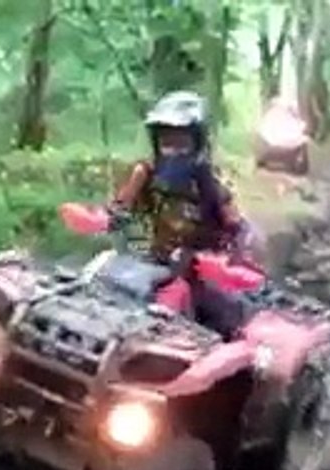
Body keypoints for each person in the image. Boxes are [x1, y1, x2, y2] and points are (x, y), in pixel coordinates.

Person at [105, 90, 253, 337]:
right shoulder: (146, 174)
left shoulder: (211, 184)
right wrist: (112, 220)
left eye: (181, 143)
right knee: (104, 275)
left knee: (190, 302)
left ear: (197, 143)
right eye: (166, 143)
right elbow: (119, 208)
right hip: (154, 258)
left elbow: (238, 228)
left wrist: (225, 258)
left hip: (198, 269)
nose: (173, 151)